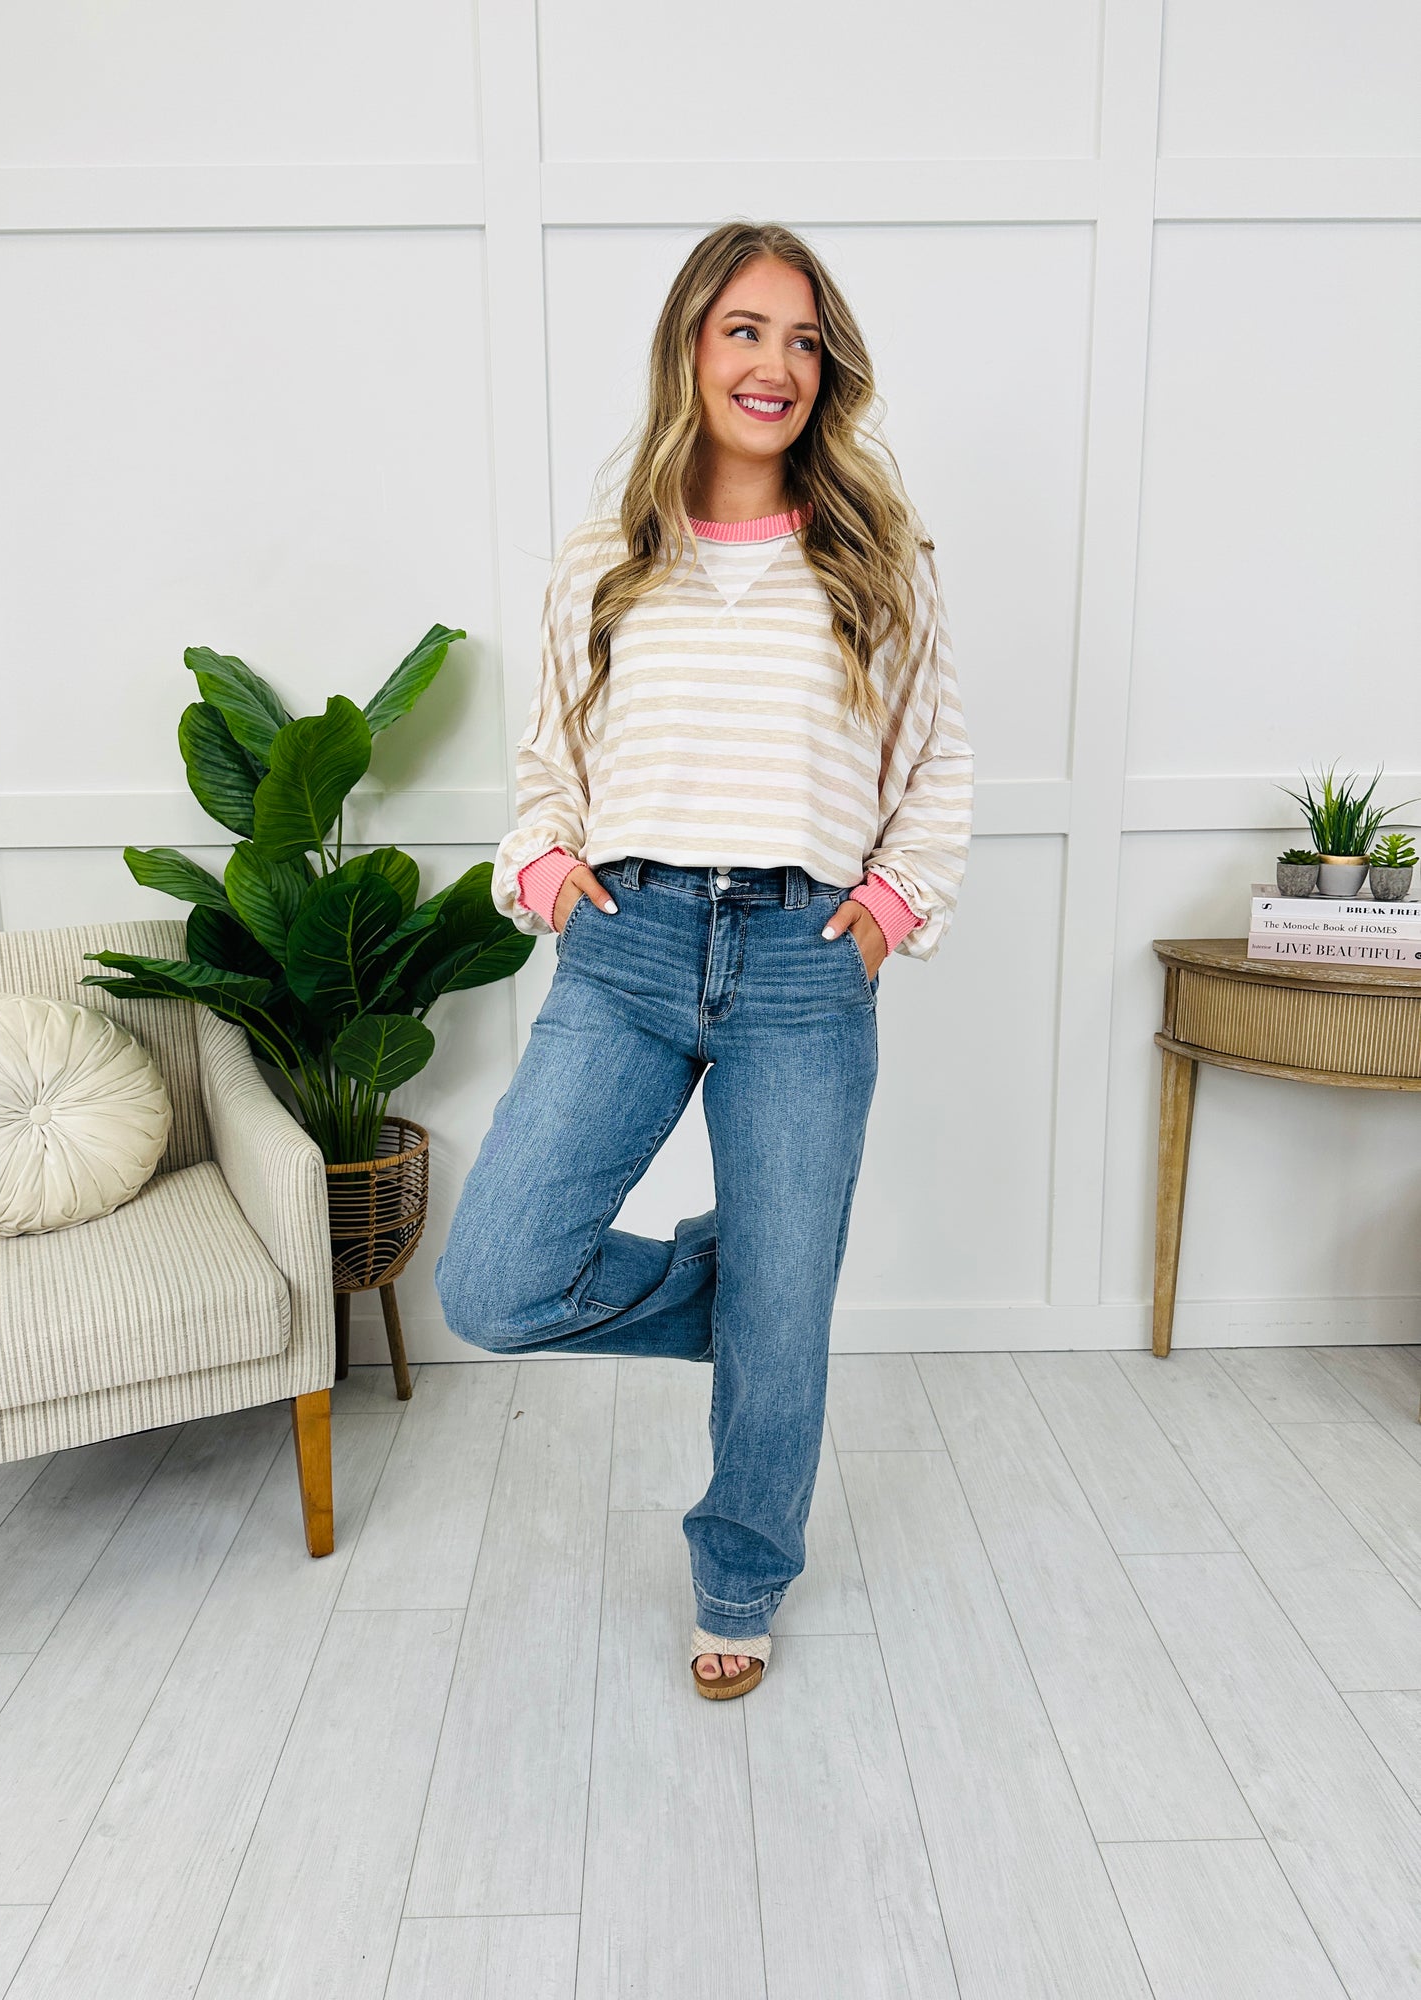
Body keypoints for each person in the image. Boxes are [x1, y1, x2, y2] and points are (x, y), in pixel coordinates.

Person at [434, 221, 973, 1700]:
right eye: (746, 330)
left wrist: (888, 912)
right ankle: (758, 1296)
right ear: (689, 346)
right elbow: (549, 763)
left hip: (806, 962)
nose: (775, 364)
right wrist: (544, 869)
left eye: (804, 340)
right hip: (628, 946)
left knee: (784, 1326)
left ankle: (739, 1580)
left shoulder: (882, 563)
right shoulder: (606, 560)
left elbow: (935, 768)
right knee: (495, 1281)